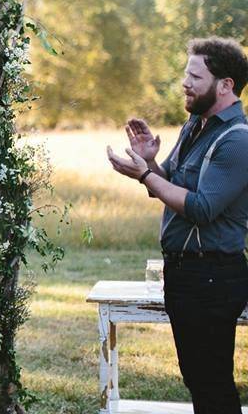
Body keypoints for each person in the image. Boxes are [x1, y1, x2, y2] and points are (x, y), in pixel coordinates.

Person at [107, 37, 248, 414]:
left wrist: (144, 177)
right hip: (186, 274)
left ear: (226, 85)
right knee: (198, 379)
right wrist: (149, 163)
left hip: (213, 276)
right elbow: (168, 184)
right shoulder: (195, 126)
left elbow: (202, 208)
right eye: (186, 74)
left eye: (195, 76)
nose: (185, 83)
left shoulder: (237, 141)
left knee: (212, 381)